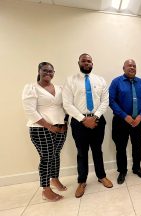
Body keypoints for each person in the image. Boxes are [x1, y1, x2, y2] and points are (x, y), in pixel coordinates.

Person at [62, 53, 112, 198]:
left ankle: (101, 176)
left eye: (89, 61)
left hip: (97, 120)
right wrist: (83, 119)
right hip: (78, 122)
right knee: (81, 152)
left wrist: (95, 117)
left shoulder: (100, 80)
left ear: (92, 63)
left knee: (97, 150)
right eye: (83, 61)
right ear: (78, 62)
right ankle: (82, 181)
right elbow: (67, 104)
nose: (86, 63)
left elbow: (105, 101)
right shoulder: (70, 80)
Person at [22, 62, 68, 202]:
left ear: (54, 72)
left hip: (60, 128)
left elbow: (65, 105)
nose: (48, 73)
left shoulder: (59, 88)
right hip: (41, 128)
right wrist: (49, 126)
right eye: (45, 70)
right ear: (39, 71)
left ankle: (55, 179)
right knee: (46, 158)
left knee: (55, 155)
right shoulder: (31, 88)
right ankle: (45, 190)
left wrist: (65, 122)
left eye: (51, 71)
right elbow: (30, 110)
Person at [109, 59, 141, 184]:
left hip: (137, 121)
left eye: (134, 66)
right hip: (121, 121)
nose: (132, 67)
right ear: (123, 68)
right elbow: (111, 100)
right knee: (121, 147)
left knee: (137, 146)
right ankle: (122, 171)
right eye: (129, 65)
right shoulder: (116, 82)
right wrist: (124, 116)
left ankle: (137, 168)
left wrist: (140, 116)